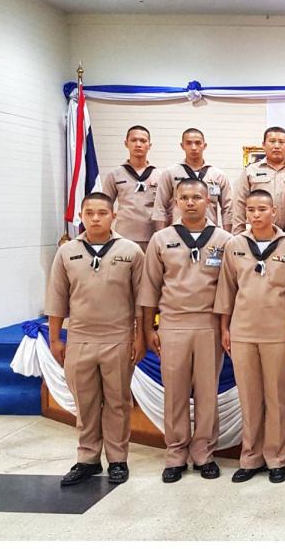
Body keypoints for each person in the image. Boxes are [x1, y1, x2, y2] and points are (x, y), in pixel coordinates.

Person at [45, 192, 146, 486]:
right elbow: (56, 298)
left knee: (117, 402)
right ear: (81, 216)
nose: (96, 218)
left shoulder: (131, 251)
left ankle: (117, 459)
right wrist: (55, 339)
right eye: (89, 213)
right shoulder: (67, 252)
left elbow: (142, 301)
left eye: (102, 213)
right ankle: (87, 459)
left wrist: (139, 337)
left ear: (114, 215)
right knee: (85, 402)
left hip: (118, 338)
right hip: (80, 338)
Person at [139, 178, 233, 483]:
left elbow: (230, 289)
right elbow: (150, 288)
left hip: (209, 325)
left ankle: (204, 452)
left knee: (207, 392)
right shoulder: (161, 240)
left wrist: (225, 327)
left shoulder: (224, 240)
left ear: (208, 201)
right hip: (173, 325)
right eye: (184, 197)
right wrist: (149, 328)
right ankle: (176, 452)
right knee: (175, 392)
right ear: (175, 202)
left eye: (196, 197)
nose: (190, 202)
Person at [213, 190, 285, 485]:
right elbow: (227, 290)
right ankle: (251, 457)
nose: (256, 214)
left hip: (278, 331)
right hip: (242, 331)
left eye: (262, 209)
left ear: (274, 211)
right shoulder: (235, 245)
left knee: (276, 397)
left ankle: (276, 459)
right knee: (249, 397)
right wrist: (225, 328)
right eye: (251, 209)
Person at [229, 126, 285, 235]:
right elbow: (239, 204)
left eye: (281, 142)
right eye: (272, 141)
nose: (277, 146)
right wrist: (238, 234)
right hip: (258, 234)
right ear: (263, 145)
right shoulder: (250, 171)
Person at [152, 128, 233, 232]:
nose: (194, 147)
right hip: (178, 233)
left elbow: (228, 209)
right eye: (189, 143)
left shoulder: (218, 175)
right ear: (182, 146)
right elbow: (160, 207)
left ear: (204, 145)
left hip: (209, 234)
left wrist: (227, 236)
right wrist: (161, 236)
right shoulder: (170, 173)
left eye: (198, 143)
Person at [100, 125, 159, 251]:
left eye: (143, 141)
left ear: (149, 145)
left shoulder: (160, 175)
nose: (138, 144)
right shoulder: (115, 174)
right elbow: (104, 207)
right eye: (133, 140)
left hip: (152, 236)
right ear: (126, 143)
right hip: (123, 236)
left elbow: (166, 209)